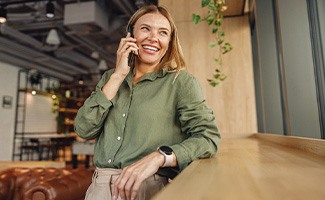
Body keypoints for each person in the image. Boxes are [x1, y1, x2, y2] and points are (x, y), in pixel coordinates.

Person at [74, 4, 220, 200]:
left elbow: (207, 139)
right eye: (145, 29)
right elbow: (84, 129)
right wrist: (118, 75)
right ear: (130, 34)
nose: (153, 38)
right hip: (99, 189)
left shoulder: (180, 82)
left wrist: (160, 157)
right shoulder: (111, 77)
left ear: (169, 41)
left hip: (147, 189)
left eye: (163, 32)